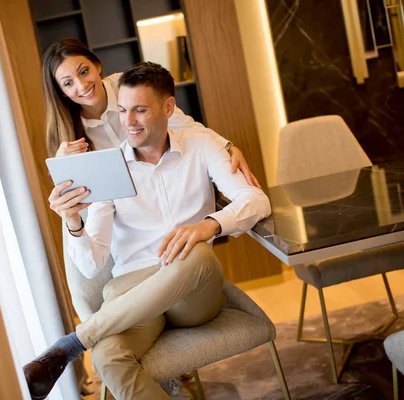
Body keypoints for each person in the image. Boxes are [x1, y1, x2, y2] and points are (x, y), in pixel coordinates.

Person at [24, 62, 271, 399]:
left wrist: (208, 225)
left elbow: (256, 200)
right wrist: (73, 222)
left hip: (192, 295)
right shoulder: (107, 168)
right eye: (123, 110)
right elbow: (93, 264)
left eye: (140, 110)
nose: (128, 121)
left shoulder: (202, 146)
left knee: (194, 249)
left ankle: (73, 342)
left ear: (168, 107)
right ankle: (85, 343)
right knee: (107, 356)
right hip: (133, 289)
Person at [42, 38, 261, 188]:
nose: (81, 86)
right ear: (61, 91)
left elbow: (182, 124)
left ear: (97, 66)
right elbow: (74, 194)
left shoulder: (128, 87)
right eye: (68, 83)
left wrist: (226, 146)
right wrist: (63, 168)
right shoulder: (65, 129)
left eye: (84, 71)